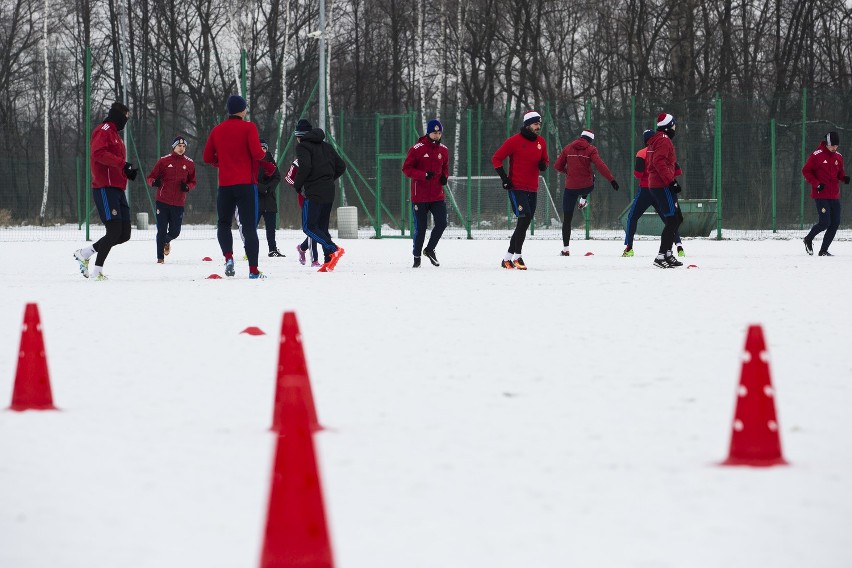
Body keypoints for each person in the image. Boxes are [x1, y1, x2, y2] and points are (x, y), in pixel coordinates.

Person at [202, 94, 272, 279]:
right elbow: (257, 154)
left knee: (223, 223)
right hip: (245, 184)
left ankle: (228, 258)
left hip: (225, 185)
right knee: (249, 227)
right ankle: (253, 270)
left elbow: (207, 157)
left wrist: (222, 162)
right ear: (242, 110)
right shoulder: (249, 127)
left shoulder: (217, 130)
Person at [73, 101, 138, 281]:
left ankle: (85, 252)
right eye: (126, 117)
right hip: (105, 187)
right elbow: (98, 154)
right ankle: (96, 272)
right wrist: (121, 164)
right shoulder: (103, 130)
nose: (126, 120)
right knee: (114, 231)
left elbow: (116, 161)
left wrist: (126, 171)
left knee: (124, 234)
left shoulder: (116, 135)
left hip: (118, 188)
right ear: (118, 115)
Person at [492, 110, 549, 270]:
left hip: (533, 187)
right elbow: (496, 158)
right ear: (527, 124)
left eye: (539, 123)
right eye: (535, 123)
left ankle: (507, 258)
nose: (538, 126)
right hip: (517, 187)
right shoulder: (514, 141)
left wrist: (543, 165)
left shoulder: (541, 142)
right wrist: (504, 178)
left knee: (524, 222)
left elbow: (545, 160)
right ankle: (518, 256)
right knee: (525, 218)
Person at [292, 118, 347, 272]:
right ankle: (328, 261)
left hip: (314, 192)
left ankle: (333, 248)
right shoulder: (327, 146)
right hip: (329, 190)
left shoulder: (302, 147)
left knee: (309, 227)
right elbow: (341, 166)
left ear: (300, 136)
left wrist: (298, 185)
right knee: (322, 227)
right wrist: (328, 179)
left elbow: (305, 166)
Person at [553, 128, 619, 256]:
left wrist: (568, 172)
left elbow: (557, 166)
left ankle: (565, 249)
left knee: (567, 219)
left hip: (570, 188)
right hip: (586, 186)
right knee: (592, 177)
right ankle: (583, 199)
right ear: (590, 140)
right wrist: (611, 180)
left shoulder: (567, 148)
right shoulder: (591, 149)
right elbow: (600, 165)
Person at [623, 129, 685, 258]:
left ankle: (629, 248)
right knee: (670, 220)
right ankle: (679, 246)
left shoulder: (641, 153)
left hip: (646, 190)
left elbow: (637, 174)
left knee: (632, 217)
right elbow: (678, 171)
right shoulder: (663, 148)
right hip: (662, 189)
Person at [402, 118, 450, 267]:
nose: (437, 135)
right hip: (420, 196)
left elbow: (445, 167)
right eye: (434, 132)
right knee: (421, 228)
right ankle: (417, 257)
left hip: (437, 195)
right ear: (428, 133)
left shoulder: (444, 150)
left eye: (439, 132)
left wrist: (444, 177)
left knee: (442, 223)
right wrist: (423, 175)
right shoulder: (417, 149)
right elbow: (406, 169)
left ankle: (430, 249)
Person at [146, 135, 196, 263]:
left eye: (184, 146)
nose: (181, 148)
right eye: (179, 146)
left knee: (175, 232)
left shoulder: (189, 163)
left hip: (178, 203)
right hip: (162, 201)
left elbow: (193, 182)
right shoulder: (163, 161)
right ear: (174, 147)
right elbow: (150, 177)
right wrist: (154, 182)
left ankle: (167, 241)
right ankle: (160, 258)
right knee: (161, 230)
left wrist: (187, 187)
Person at [646, 112, 684, 268]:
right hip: (662, 185)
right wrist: (671, 182)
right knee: (672, 220)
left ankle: (668, 254)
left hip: (659, 184)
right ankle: (661, 256)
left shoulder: (657, 140)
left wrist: (674, 168)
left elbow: (662, 160)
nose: (675, 127)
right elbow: (658, 161)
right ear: (668, 127)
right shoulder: (664, 140)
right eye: (674, 125)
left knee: (678, 218)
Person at [802, 131, 849, 256]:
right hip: (821, 194)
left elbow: (840, 173)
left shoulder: (838, 157)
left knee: (835, 223)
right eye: (832, 145)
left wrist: (844, 178)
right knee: (825, 222)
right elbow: (806, 170)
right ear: (827, 144)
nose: (835, 148)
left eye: (836, 145)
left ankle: (823, 250)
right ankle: (808, 238)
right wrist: (816, 183)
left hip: (834, 195)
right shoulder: (816, 156)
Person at [284, 154, 321, 267]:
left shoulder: (321, 160)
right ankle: (314, 260)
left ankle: (302, 248)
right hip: (306, 198)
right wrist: (299, 187)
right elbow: (288, 177)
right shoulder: (298, 161)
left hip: (320, 196)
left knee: (317, 227)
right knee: (312, 227)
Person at [257, 139, 284, 257]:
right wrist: (261, 188)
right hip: (256, 199)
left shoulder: (271, 161)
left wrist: (269, 188)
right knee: (251, 227)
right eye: (260, 148)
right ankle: (249, 249)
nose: (262, 150)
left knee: (271, 227)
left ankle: (272, 249)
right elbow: (250, 178)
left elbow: (277, 177)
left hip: (269, 200)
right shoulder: (253, 161)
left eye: (264, 148)